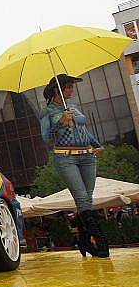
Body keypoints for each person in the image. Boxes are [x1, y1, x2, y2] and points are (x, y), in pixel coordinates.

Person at [39, 74, 108, 258]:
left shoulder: (73, 107)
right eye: (68, 86)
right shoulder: (47, 112)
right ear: (57, 89)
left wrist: (97, 145)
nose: (71, 89)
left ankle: (84, 241)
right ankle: (101, 243)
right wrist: (60, 121)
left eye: (71, 86)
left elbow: (84, 129)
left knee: (87, 199)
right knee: (82, 198)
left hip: (87, 156)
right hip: (66, 158)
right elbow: (46, 137)